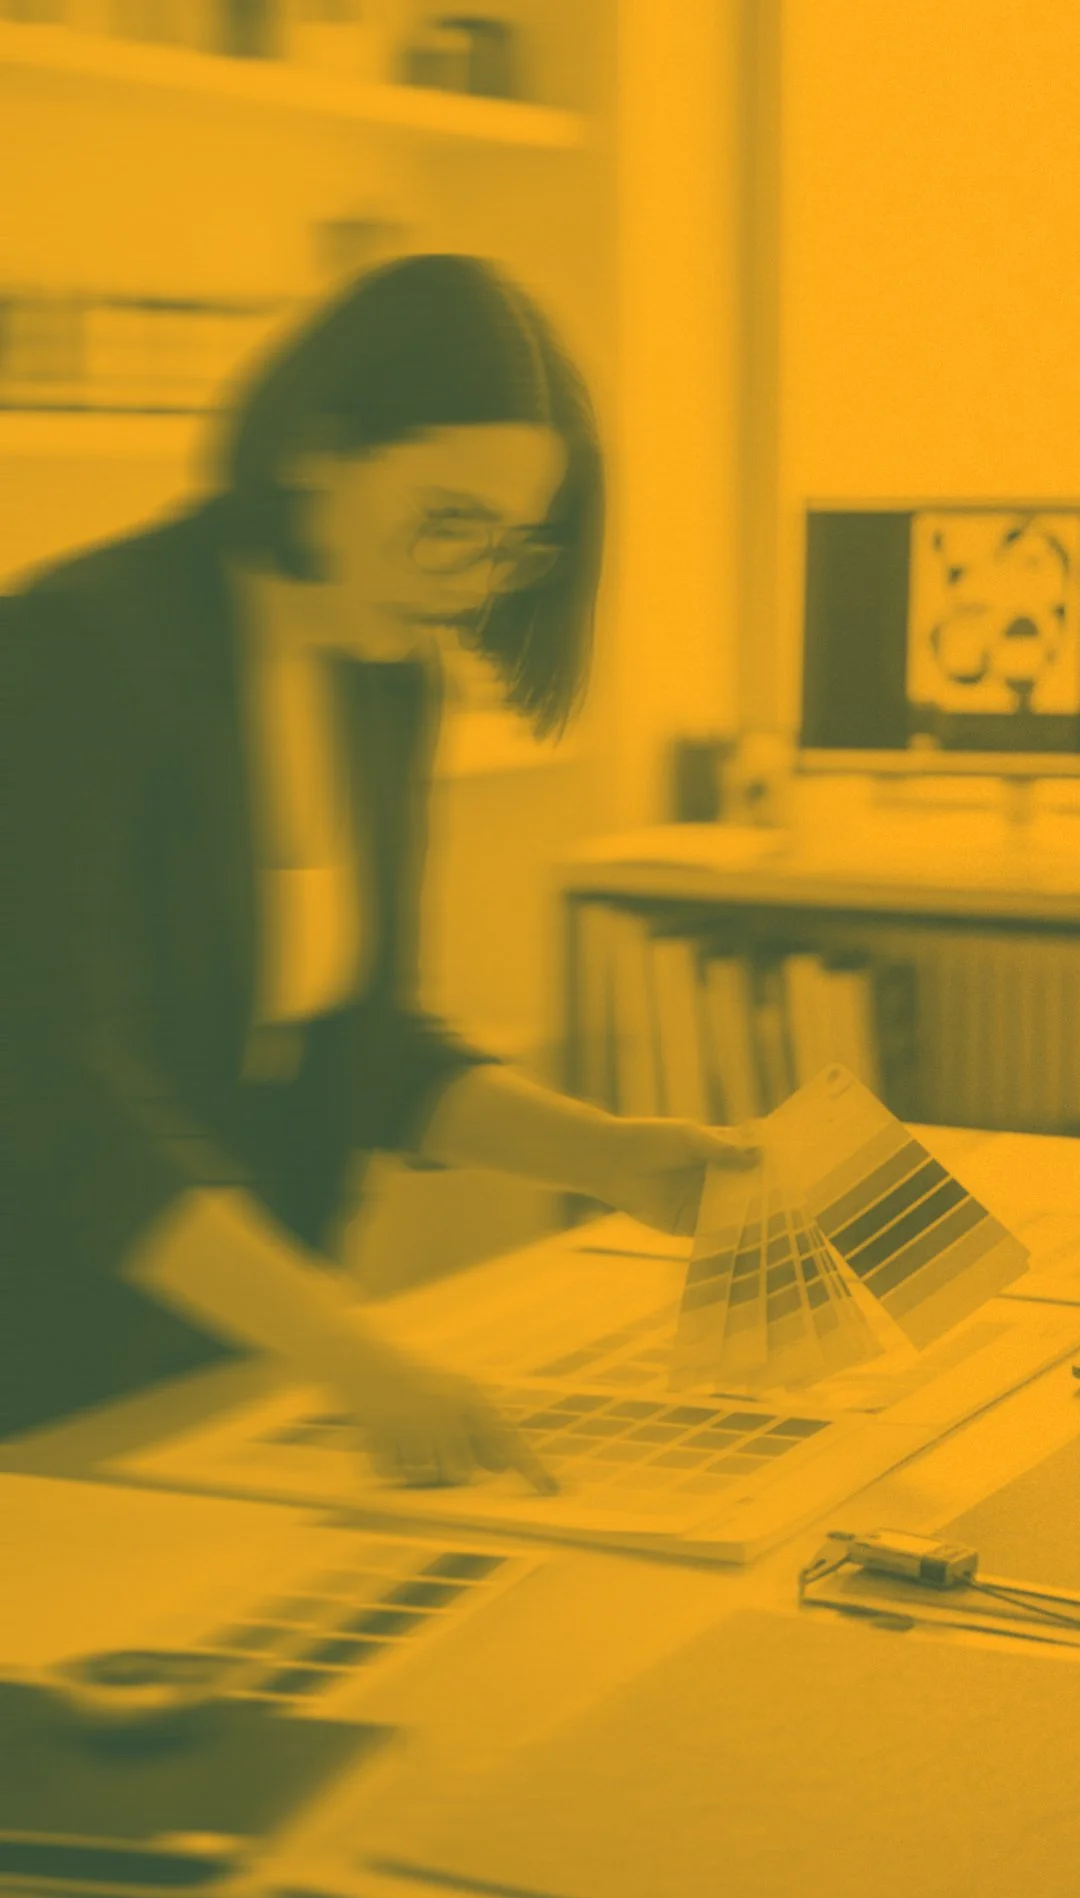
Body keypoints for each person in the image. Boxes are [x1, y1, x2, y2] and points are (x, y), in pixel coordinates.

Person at [2, 253, 754, 1483]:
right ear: (316, 451)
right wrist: (355, 1357)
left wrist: (607, 1157)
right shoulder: (77, 649)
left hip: (238, 1350)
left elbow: (371, 1044)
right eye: (446, 521)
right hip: (42, 1355)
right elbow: (56, 1090)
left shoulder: (386, 679)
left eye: (510, 546)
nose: (469, 585)